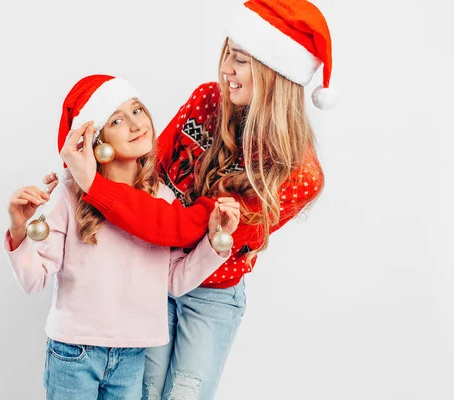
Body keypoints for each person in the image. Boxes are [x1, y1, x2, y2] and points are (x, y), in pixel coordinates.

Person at [50, 1, 336, 398]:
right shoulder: (207, 101)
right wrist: (76, 180)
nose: (225, 70)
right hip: (153, 268)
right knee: (142, 391)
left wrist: (93, 186)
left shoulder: (300, 175)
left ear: (275, 73)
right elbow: (146, 176)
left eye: (240, 61)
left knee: (185, 393)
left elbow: (187, 234)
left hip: (211, 291)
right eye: (227, 55)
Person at [4, 74, 239, 399]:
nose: (135, 123)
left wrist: (215, 242)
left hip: (133, 355)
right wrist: (20, 231)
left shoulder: (162, 201)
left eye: (138, 110)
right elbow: (34, 280)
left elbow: (174, 281)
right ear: (96, 139)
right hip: (75, 352)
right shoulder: (70, 195)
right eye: (117, 119)